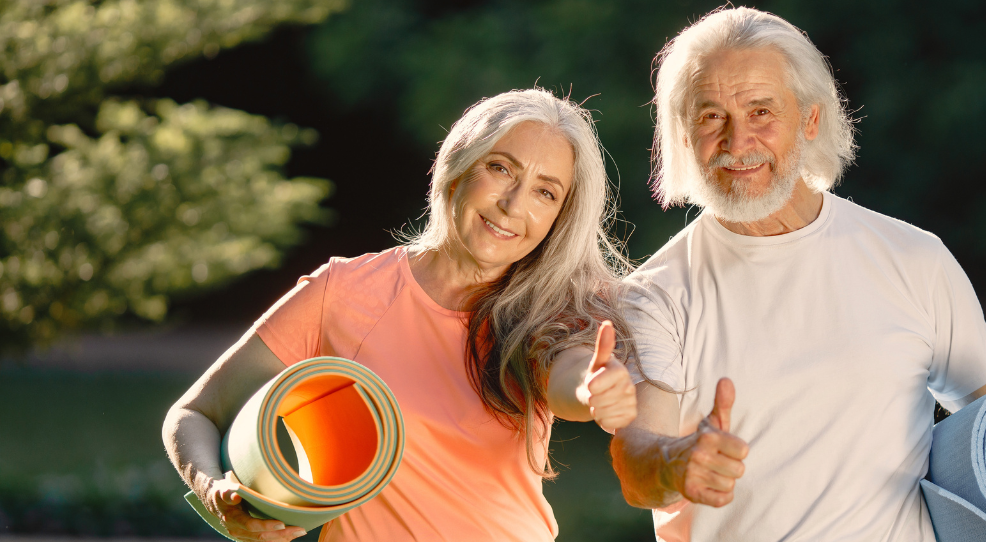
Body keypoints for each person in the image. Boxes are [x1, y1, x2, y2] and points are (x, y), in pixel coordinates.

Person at [603, 7, 986, 541]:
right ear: (683, 135)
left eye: (761, 112)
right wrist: (674, 464)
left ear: (811, 120)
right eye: (710, 117)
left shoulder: (916, 260)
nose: (736, 141)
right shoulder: (654, 295)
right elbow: (637, 466)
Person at [162, 88, 639, 542]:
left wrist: (592, 387)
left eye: (545, 193)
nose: (513, 205)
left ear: (559, 219)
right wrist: (212, 490)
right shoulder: (343, 291)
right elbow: (193, 414)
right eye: (500, 168)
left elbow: (570, 375)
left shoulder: (549, 310)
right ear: (459, 165)